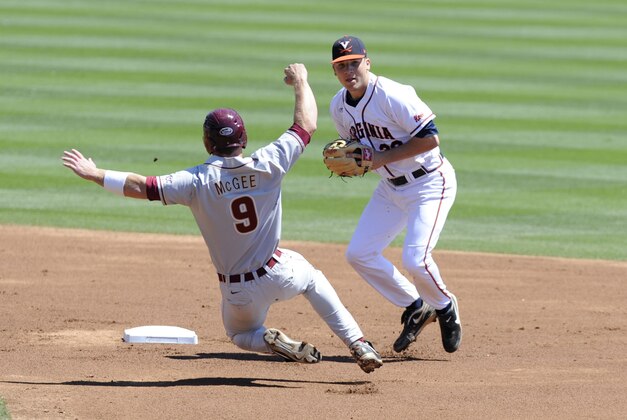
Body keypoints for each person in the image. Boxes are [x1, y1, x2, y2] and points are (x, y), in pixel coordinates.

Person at [61, 63, 383, 373]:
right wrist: (300, 81)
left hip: (238, 292)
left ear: (207, 142)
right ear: (243, 139)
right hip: (280, 272)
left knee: (241, 335)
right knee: (312, 279)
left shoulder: (195, 181)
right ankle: (359, 342)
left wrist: (95, 173)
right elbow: (306, 124)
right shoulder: (269, 162)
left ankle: (268, 340)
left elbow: (141, 186)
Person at [328, 36, 461, 354]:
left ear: (367, 62)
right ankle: (417, 306)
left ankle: (444, 306)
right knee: (359, 254)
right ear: (335, 72)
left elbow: (431, 139)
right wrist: (354, 161)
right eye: (341, 66)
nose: (349, 71)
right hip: (390, 189)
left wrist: (380, 159)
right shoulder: (338, 106)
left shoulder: (393, 95)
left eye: (354, 63)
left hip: (430, 184)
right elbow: (359, 151)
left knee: (415, 259)